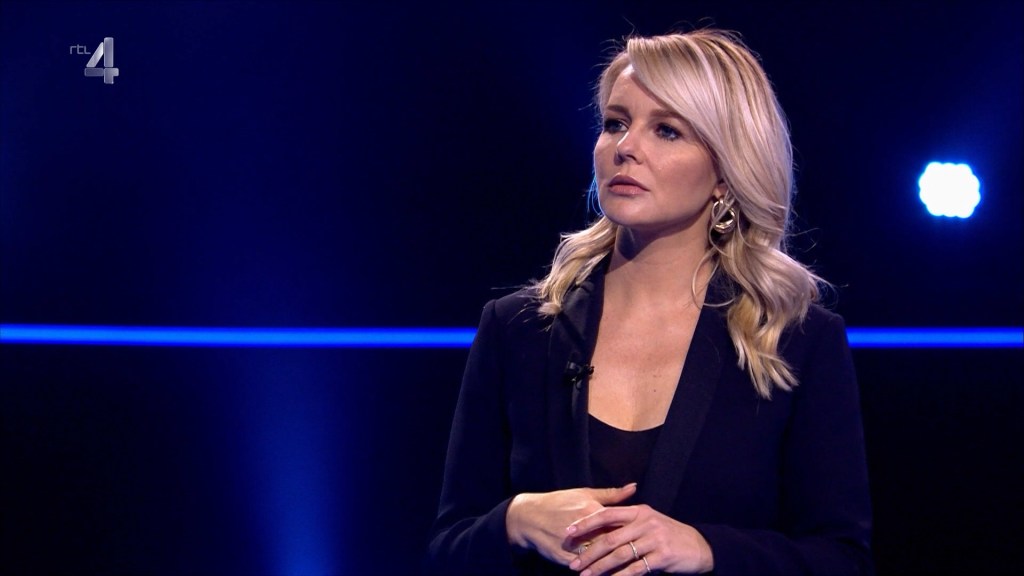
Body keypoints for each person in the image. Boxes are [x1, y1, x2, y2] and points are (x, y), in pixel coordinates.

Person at [427, 29, 872, 576]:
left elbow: (842, 559)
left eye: (667, 130)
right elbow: (447, 550)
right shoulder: (516, 328)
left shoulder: (795, 341)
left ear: (725, 173)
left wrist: (707, 550)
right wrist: (513, 521)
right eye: (616, 123)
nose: (625, 147)